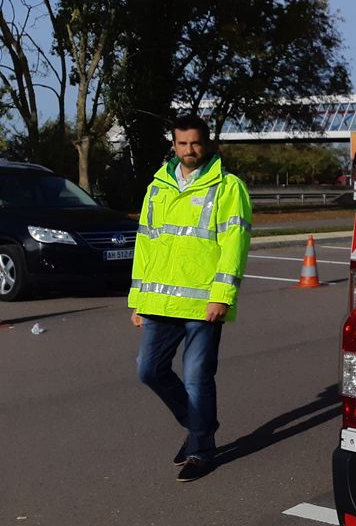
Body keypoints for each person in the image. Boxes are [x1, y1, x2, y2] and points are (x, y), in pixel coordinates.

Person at [130, 114, 252, 482]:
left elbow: (235, 245)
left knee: (198, 376)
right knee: (148, 370)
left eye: (195, 143)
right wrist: (137, 296)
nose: (189, 150)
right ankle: (201, 424)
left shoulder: (228, 187)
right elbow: (146, 243)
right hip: (160, 301)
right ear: (173, 144)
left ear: (208, 143)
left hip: (204, 303)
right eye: (182, 144)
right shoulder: (159, 186)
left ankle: (200, 449)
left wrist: (222, 295)